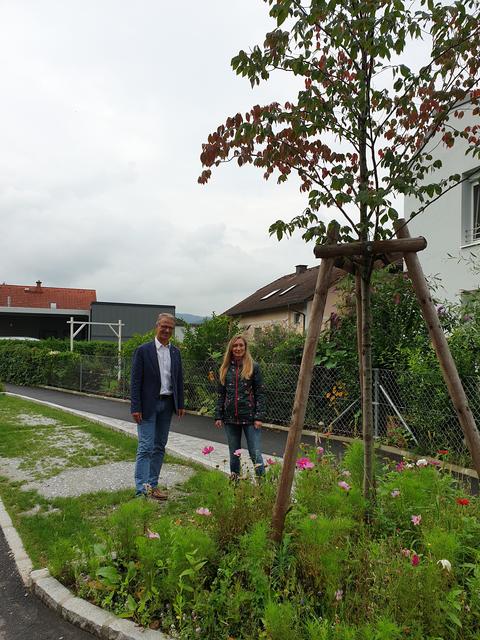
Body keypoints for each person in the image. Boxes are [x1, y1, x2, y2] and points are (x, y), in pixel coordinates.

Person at [130, 313, 185, 499]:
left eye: (170, 327)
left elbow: (178, 379)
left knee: (160, 446)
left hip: (168, 404)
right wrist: (135, 407)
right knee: (145, 447)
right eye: (164, 326)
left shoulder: (175, 352)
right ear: (157, 326)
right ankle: (141, 490)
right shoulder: (143, 351)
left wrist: (181, 403)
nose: (167, 330)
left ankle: (153, 485)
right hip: (147, 406)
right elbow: (135, 381)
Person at [215, 334, 265, 478]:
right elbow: (221, 394)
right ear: (231, 348)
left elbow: (260, 393)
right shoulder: (225, 368)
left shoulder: (253, 367)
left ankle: (263, 487)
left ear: (245, 347)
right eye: (235, 346)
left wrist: (259, 417)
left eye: (241, 345)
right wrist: (218, 414)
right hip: (230, 419)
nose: (238, 348)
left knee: (255, 453)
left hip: (250, 418)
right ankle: (236, 486)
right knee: (234, 454)